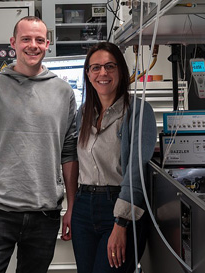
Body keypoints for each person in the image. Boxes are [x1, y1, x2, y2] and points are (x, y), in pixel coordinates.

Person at [0, 16, 78, 273]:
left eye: (39, 39)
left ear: (47, 44)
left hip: (45, 213)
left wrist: (71, 207)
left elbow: (68, 154)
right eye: (26, 39)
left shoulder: (63, 92)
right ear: (13, 43)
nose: (33, 45)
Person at [71, 42, 157, 273]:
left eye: (110, 66)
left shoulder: (139, 112)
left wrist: (121, 223)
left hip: (118, 207)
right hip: (83, 208)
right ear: (88, 74)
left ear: (121, 71)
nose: (103, 73)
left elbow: (137, 169)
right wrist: (70, 208)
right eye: (96, 67)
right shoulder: (83, 114)